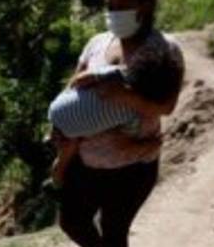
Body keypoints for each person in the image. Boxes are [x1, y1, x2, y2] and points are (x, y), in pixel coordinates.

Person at [57, 0, 184, 247]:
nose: (113, 12)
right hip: (85, 157)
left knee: (115, 230)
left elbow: (167, 105)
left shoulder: (165, 50)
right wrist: (65, 139)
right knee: (71, 220)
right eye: (109, 4)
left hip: (134, 164)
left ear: (145, 6)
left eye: (122, 5)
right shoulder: (99, 43)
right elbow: (74, 88)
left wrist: (123, 96)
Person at [47, 26, 184, 187]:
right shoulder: (135, 111)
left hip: (58, 106)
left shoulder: (119, 74)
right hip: (74, 131)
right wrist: (147, 146)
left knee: (68, 139)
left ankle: (58, 162)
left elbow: (83, 79)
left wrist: (90, 84)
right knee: (71, 142)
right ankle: (60, 166)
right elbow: (125, 139)